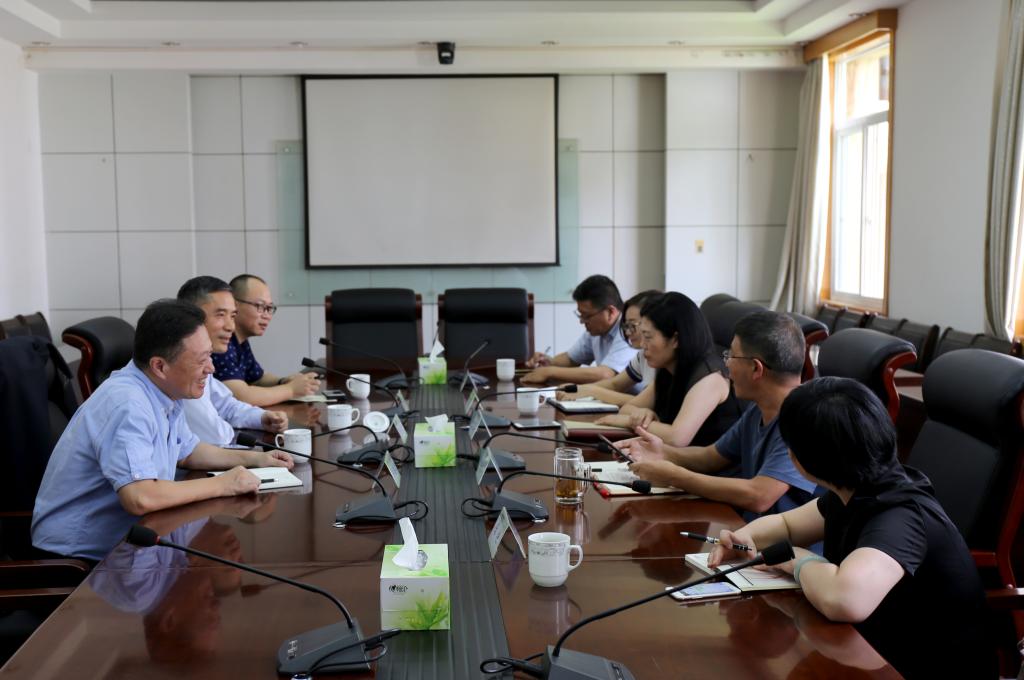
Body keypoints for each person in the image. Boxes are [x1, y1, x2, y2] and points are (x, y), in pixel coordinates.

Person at [708, 377, 994, 679]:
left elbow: (845, 600)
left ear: (801, 459)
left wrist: (794, 559)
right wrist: (745, 538)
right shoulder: (856, 489)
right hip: (874, 653)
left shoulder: (901, 515)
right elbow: (787, 525)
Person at [31, 299, 294, 562]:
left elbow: (189, 451)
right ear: (160, 366)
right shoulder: (129, 404)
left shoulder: (163, 390)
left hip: (130, 543)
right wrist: (224, 484)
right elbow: (140, 497)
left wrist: (257, 459)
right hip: (75, 561)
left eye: (210, 356)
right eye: (201, 360)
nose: (211, 368)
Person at [621, 310, 817, 518]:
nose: (726, 363)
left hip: (784, 539)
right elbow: (711, 457)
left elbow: (759, 496)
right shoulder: (757, 410)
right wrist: (663, 452)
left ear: (756, 368)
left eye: (731, 356)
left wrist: (674, 476)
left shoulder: (805, 421)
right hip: (747, 530)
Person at [592, 292, 742, 446]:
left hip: (703, 461)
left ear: (675, 339)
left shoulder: (710, 378)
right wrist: (642, 414)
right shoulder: (669, 370)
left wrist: (631, 421)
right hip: (670, 457)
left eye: (648, 337)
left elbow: (677, 438)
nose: (642, 345)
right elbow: (627, 409)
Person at [177, 276, 288, 446]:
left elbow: (226, 405)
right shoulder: (181, 366)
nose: (231, 326)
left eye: (232, 316)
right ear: (190, 316)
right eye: (221, 315)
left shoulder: (203, 359)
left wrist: (261, 418)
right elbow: (217, 436)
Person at [212, 274, 320, 407]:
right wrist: (291, 389)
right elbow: (242, 397)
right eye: (260, 306)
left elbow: (258, 378)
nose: (267, 316)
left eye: (269, 308)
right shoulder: (221, 341)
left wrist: (284, 381)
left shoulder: (240, 341)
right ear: (235, 305)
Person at [521, 275, 635, 385]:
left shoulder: (628, 330)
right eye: (580, 315)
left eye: (587, 316)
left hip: (633, 397)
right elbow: (571, 359)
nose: (581, 321)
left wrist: (550, 372)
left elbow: (605, 374)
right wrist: (549, 362)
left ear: (611, 312)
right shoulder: (596, 331)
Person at [554, 289, 660, 405]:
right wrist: (578, 389)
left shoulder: (664, 361)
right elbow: (615, 384)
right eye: (626, 325)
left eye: (632, 325)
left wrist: (591, 391)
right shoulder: (642, 356)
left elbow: (645, 403)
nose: (627, 332)